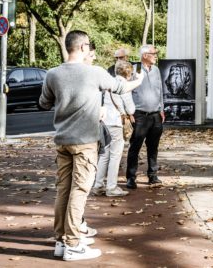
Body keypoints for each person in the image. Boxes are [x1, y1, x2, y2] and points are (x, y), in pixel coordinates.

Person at [39, 30, 144, 261]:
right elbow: (121, 88)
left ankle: (61, 240)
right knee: (80, 191)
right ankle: (74, 244)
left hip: (62, 141)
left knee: (63, 190)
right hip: (85, 142)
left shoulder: (52, 74)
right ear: (84, 47)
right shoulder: (94, 73)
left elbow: (44, 102)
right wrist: (139, 80)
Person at [92, 60, 136, 197]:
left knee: (104, 154)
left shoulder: (108, 83)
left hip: (105, 121)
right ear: (128, 72)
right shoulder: (124, 86)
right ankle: (112, 187)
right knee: (115, 156)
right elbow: (131, 108)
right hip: (117, 122)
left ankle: (98, 185)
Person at [126, 44, 164, 189]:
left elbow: (160, 90)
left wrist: (161, 108)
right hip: (139, 115)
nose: (156, 55)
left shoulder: (156, 70)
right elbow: (127, 91)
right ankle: (131, 177)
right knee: (135, 147)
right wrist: (130, 111)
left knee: (153, 147)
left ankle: (153, 176)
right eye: (154, 53)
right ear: (145, 56)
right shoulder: (135, 69)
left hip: (155, 115)